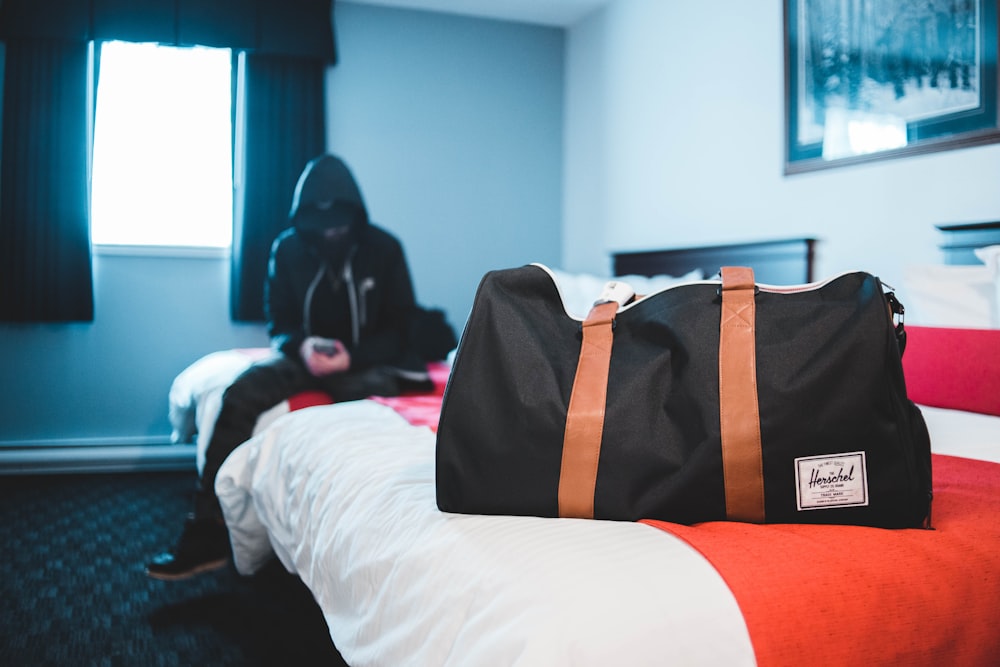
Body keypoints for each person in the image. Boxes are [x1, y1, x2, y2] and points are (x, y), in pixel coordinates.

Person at [147, 154, 432, 580]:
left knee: (365, 416)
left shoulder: (384, 249)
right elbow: (278, 321)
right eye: (322, 229)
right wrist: (301, 349)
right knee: (237, 396)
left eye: (339, 226)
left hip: (366, 358)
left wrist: (353, 357)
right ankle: (205, 530)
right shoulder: (288, 248)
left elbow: (403, 325)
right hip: (304, 358)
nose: (331, 235)